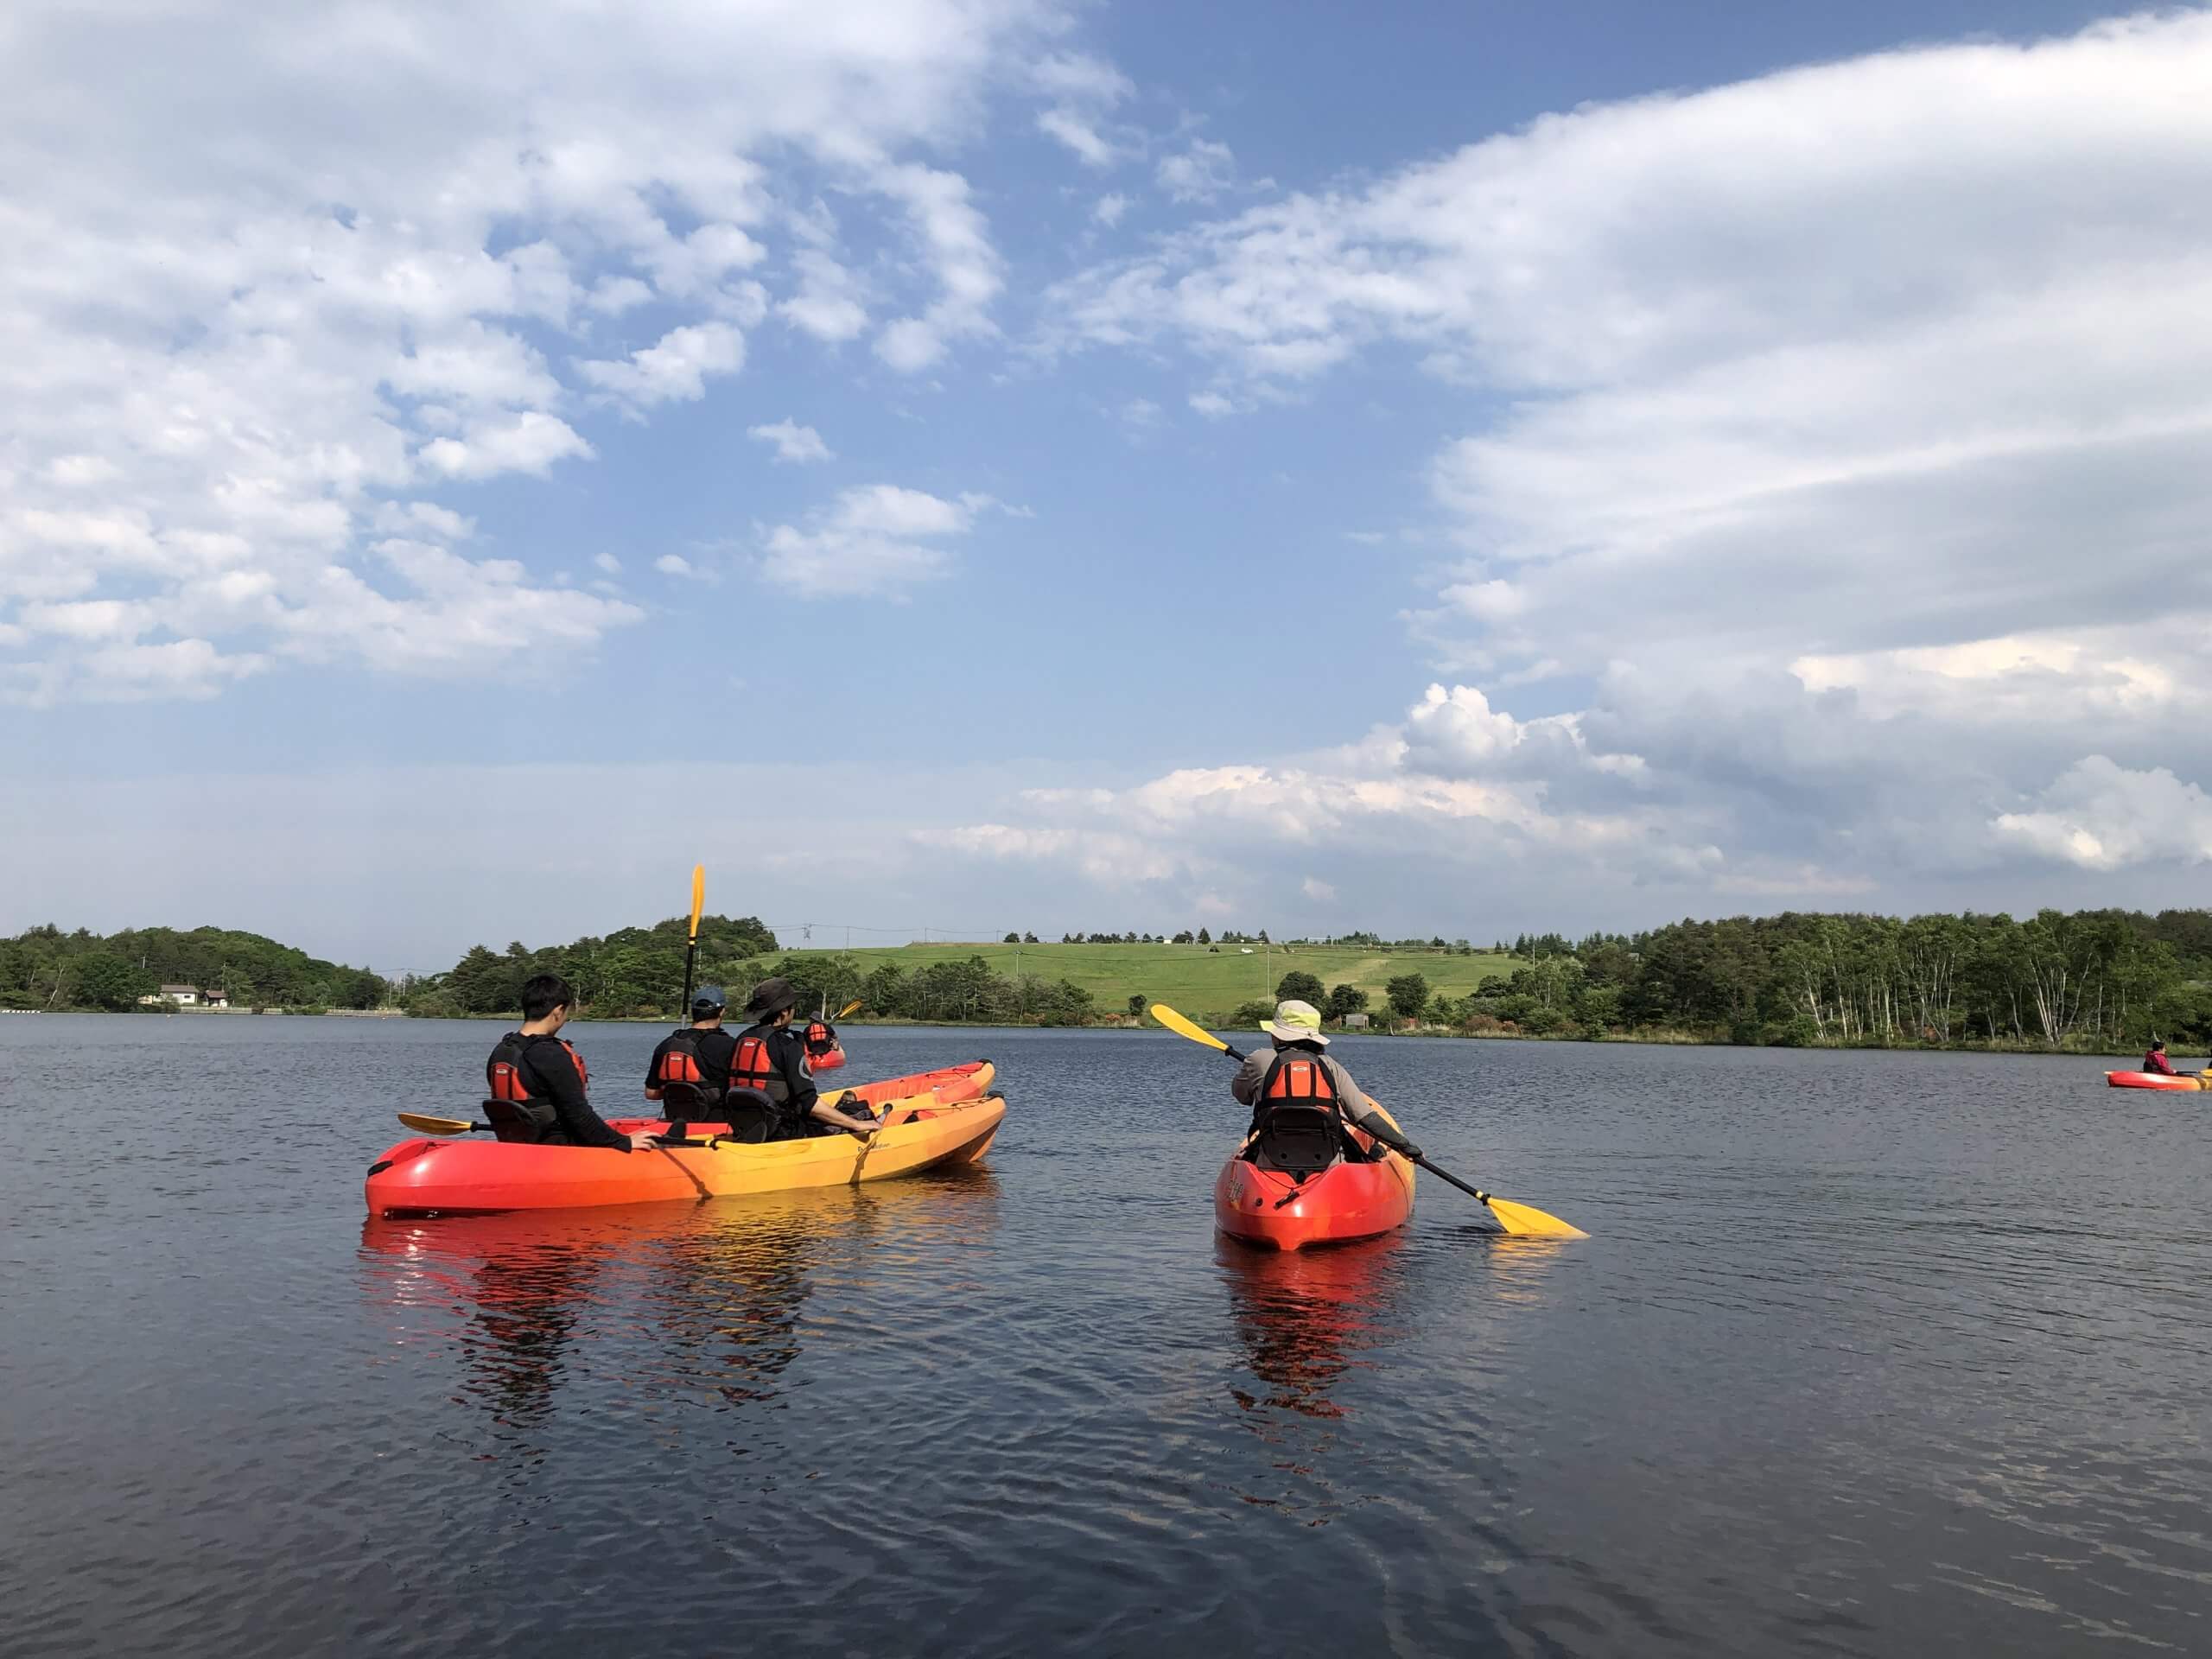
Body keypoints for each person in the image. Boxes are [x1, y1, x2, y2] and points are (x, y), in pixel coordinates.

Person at [486, 974, 660, 1149]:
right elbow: (579, 1115)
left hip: (516, 1148)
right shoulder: (550, 1053)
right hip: (558, 1152)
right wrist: (623, 1142)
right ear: (558, 1011)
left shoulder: (503, 1050)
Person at [729, 977, 881, 1140]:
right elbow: (810, 1104)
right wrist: (855, 1124)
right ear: (784, 1011)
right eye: (793, 1007)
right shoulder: (787, 1046)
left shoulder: (741, 1039)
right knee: (859, 1113)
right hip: (784, 1133)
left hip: (747, 1129)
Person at [1230, 998, 1376, 1133]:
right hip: (1328, 1157)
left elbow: (1243, 1097)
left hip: (1270, 1155)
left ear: (1280, 1035)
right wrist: (1400, 1143)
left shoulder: (1258, 1059)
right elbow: (1364, 1117)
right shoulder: (1331, 1065)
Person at [645, 984, 739, 1118]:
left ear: (693, 1011)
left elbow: (651, 1094)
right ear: (722, 1011)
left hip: (676, 1123)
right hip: (717, 1124)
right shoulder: (729, 1045)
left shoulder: (667, 1044)